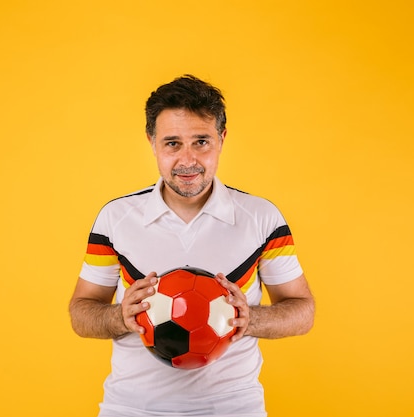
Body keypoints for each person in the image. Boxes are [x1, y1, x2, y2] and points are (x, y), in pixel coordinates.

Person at [69, 75, 315, 417]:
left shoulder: (262, 218)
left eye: (201, 141)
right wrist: (119, 316)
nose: (188, 160)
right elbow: (81, 312)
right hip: (131, 409)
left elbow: (303, 310)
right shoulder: (116, 218)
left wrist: (248, 319)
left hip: (233, 409)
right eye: (172, 143)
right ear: (152, 142)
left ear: (222, 139)